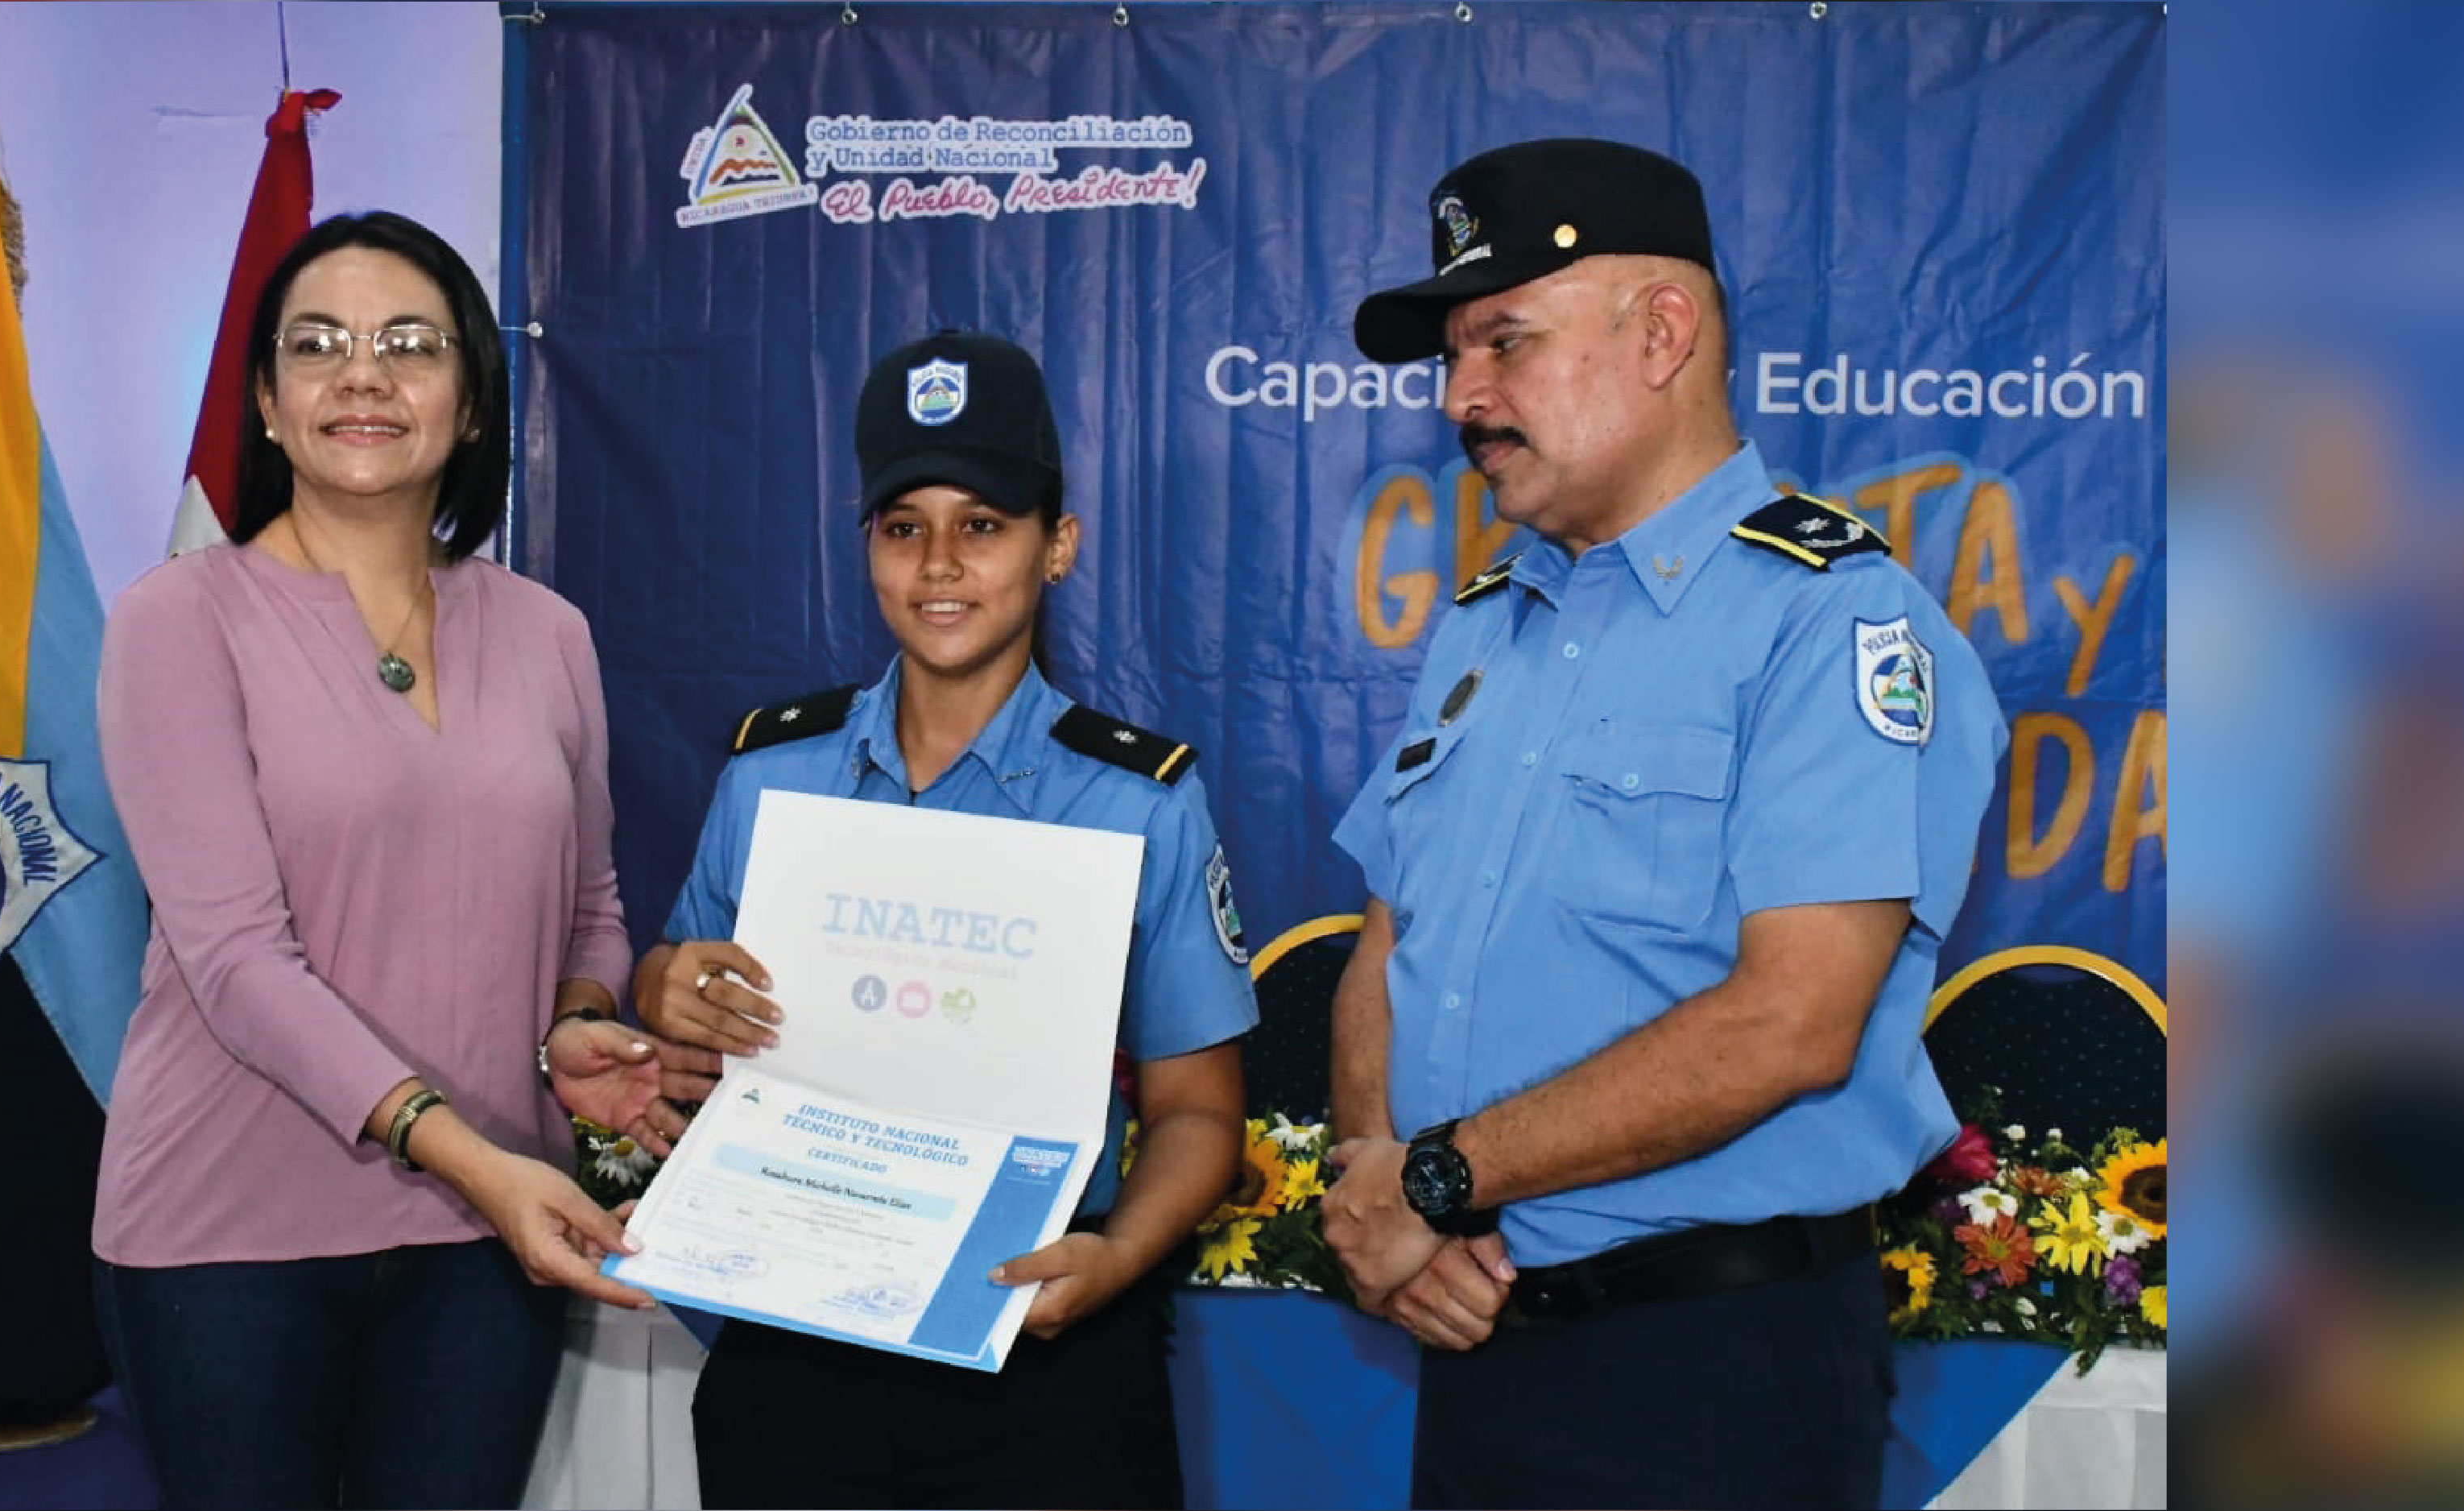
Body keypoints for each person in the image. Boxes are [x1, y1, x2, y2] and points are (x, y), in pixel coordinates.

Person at [1317, 139, 2007, 1509]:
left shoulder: (1830, 621)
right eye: (1456, 354)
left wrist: (1438, 1180)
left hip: (1713, 1378)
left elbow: (1788, 1025)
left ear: (1663, 334)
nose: (1462, 395)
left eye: (1503, 340)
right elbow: (1390, 941)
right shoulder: (1488, 621)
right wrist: (1372, 1189)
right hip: (1475, 1328)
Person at [92, 210, 665, 1509]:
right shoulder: (177, 622)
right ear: (271, 403)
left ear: (468, 402)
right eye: (320, 345)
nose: (364, 372)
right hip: (227, 1237)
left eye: (410, 343)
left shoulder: (549, 632)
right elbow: (237, 962)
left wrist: (575, 1026)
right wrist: (470, 1151)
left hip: (486, 1242)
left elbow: (592, 907)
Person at [631, 330, 1257, 1509]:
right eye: (903, 525)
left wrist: (1117, 1258)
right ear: (865, 545)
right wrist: (667, 982)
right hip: (797, 1349)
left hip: (1047, 1343)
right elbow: (686, 1009)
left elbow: (1198, 1112)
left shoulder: (1137, 801)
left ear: (1056, 546)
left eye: (984, 524)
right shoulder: (773, 776)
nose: (940, 565)